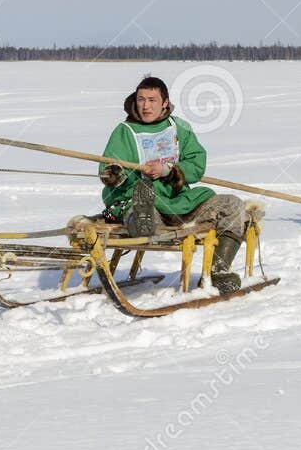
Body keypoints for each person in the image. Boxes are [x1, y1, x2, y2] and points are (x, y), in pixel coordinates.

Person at [98, 76, 248, 293]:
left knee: (232, 205)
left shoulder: (178, 127)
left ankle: (219, 271)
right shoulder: (125, 131)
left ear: (165, 102)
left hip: (178, 200)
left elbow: (196, 163)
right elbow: (110, 168)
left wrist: (168, 170)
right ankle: (141, 223)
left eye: (152, 100)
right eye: (141, 99)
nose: (145, 106)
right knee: (141, 209)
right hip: (141, 199)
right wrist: (116, 174)